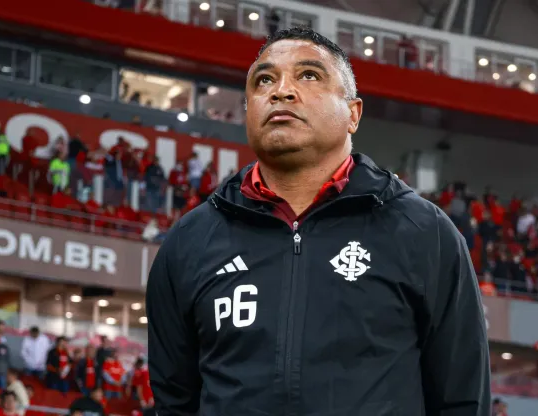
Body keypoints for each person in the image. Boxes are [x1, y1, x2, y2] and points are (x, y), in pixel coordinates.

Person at [147, 27, 490, 415]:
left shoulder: (425, 233)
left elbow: (462, 398)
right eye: (264, 80)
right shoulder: (189, 242)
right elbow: (174, 402)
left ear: (353, 114)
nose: (281, 91)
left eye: (309, 75)